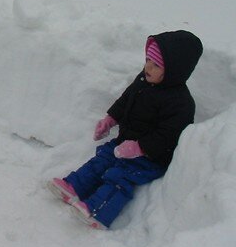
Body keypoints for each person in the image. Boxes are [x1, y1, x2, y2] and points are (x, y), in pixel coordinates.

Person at [48, 30, 203, 229]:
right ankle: (74, 186)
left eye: (156, 65)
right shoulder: (144, 80)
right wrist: (110, 119)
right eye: (148, 59)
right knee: (102, 159)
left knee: (120, 175)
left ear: (174, 71)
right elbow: (126, 100)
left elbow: (168, 136)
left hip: (150, 158)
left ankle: (98, 211)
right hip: (125, 141)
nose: (148, 67)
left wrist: (140, 148)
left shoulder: (180, 103)